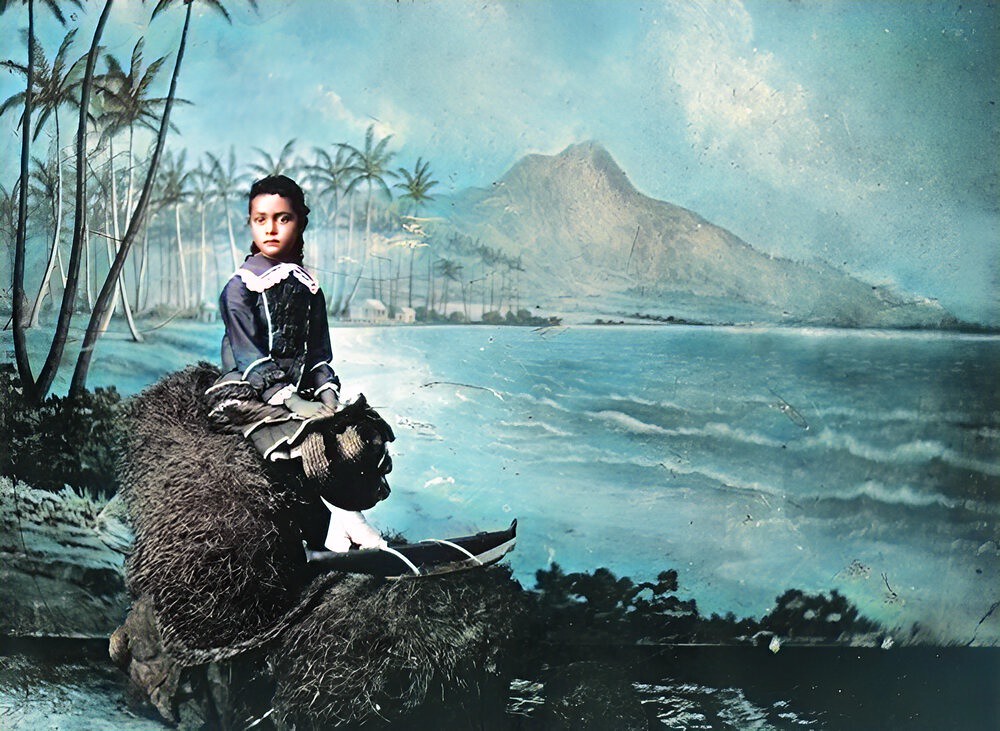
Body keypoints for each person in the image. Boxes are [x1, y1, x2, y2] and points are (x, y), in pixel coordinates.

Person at [205, 175, 388, 552]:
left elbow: (320, 351)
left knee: (355, 434)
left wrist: (327, 392)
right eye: (260, 219)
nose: (270, 228)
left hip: (299, 389)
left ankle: (343, 525)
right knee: (297, 444)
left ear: (299, 223)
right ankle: (342, 529)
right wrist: (290, 400)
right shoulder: (239, 288)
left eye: (283, 218)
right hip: (252, 390)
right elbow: (247, 354)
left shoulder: (309, 288)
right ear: (251, 223)